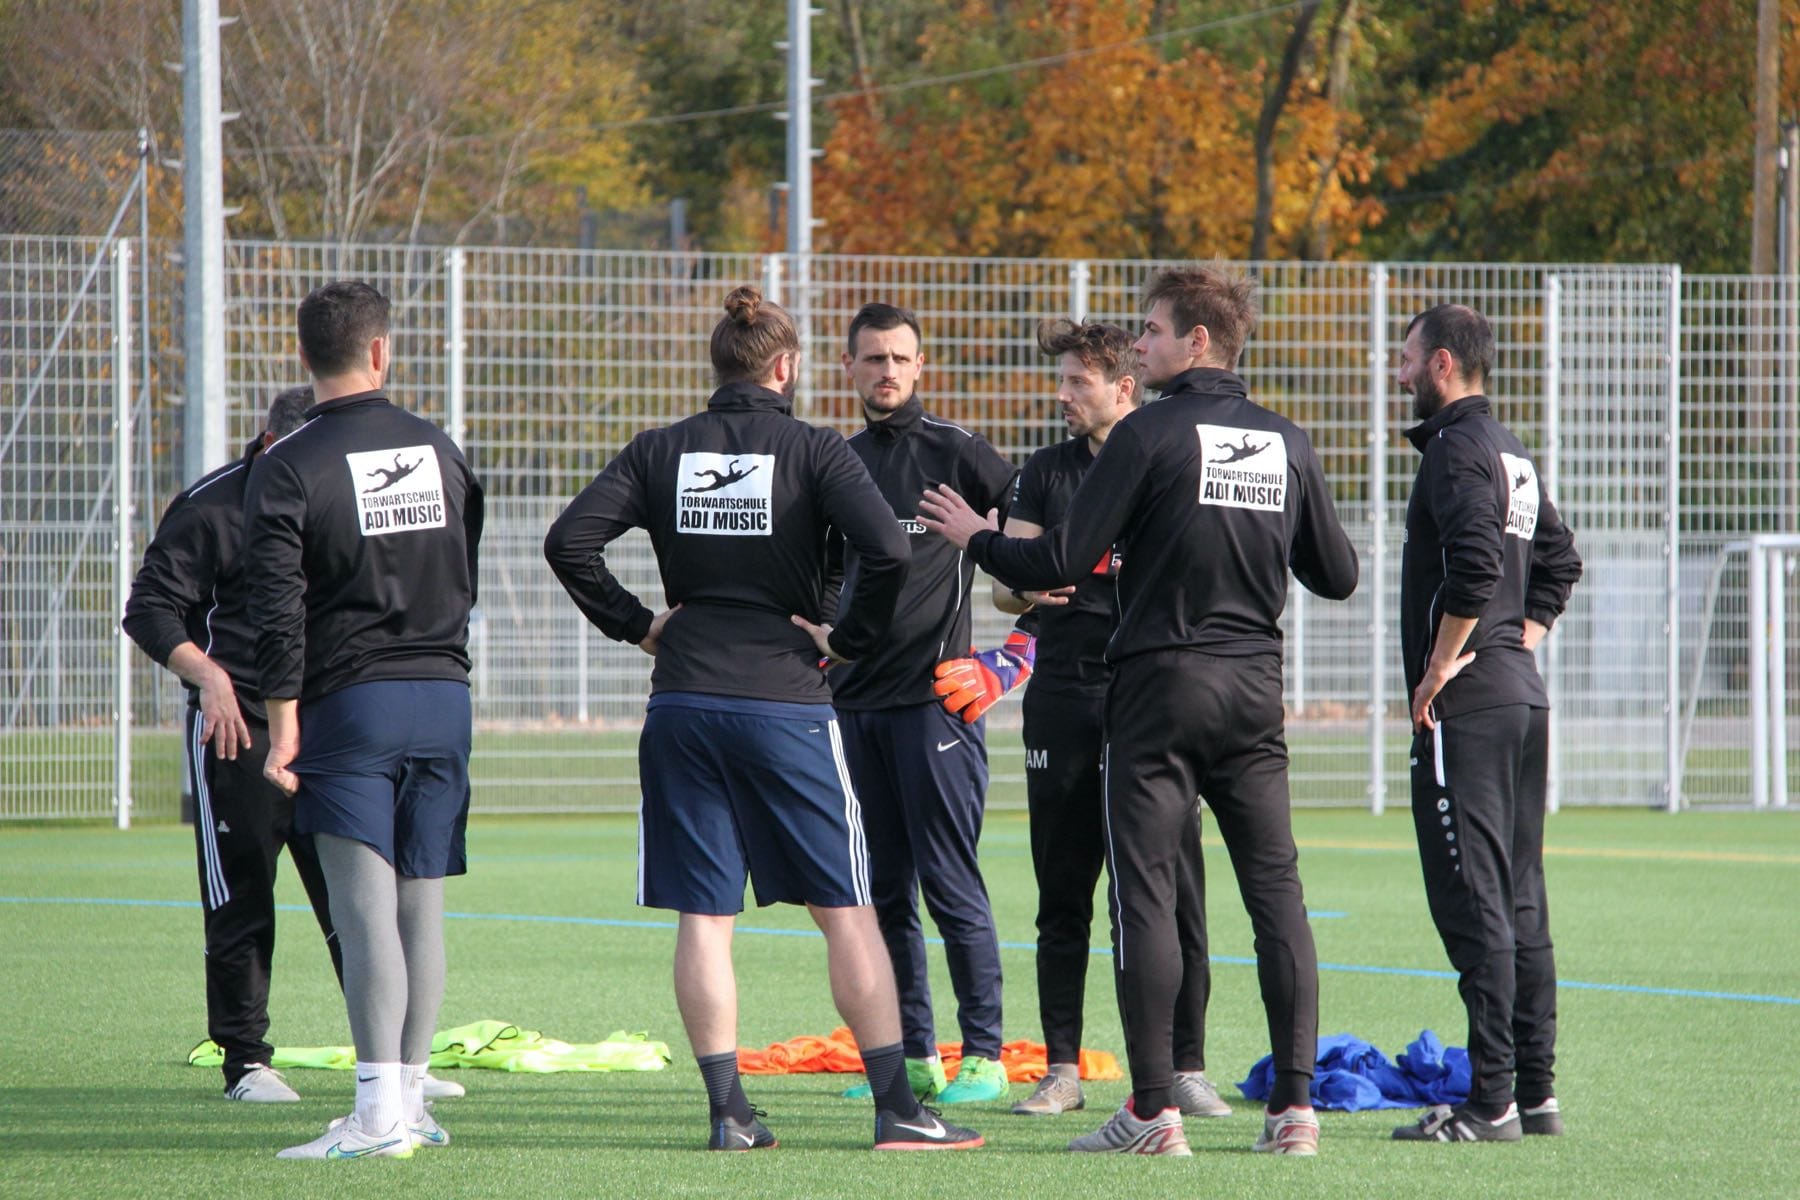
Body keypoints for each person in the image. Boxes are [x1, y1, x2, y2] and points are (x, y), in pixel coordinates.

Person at [919, 265, 1359, 1157]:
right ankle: (1294, 1112)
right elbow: (1338, 574)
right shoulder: (1285, 439)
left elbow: (1061, 561)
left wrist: (979, 539)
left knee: (1145, 896)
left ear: (1197, 341)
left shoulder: (1150, 431)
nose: (1141, 342)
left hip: (1159, 689)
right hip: (1254, 692)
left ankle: (1154, 1112)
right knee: (1277, 896)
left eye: (1152, 330)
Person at [543, 285, 982, 1152]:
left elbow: (568, 542)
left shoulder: (661, 448)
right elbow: (889, 549)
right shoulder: (815, 449)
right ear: (787, 367)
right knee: (846, 908)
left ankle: (730, 1116)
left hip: (682, 702)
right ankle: (898, 1111)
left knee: (705, 918)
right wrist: (847, 639)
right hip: (785, 703)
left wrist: (639, 625)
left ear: (721, 367)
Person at [938, 319, 1229, 1122]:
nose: (1062, 394)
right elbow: (1007, 586)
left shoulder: (1166, 459)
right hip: (1064, 696)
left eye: (1078, 382)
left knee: (1175, 892)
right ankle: (1061, 1070)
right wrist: (1028, 587)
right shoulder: (1044, 472)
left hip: (1154, 697)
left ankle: (1186, 1068)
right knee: (1063, 892)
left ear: (1124, 388)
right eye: (1061, 379)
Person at [242, 281, 484, 1161]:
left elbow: (276, 608)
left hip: (352, 703)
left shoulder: (288, 464)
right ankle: (409, 1105)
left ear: (306, 356)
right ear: (380, 351)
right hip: (444, 697)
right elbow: (463, 564)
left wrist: (283, 722)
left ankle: (378, 1119)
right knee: (422, 907)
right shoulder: (439, 447)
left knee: (364, 909)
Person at [1390, 304, 1582, 1144]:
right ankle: (1536, 1097)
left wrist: (1442, 665)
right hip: (1521, 699)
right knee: (1520, 898)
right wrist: (1516, 640)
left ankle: (1491, 1102)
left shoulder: (1454, 449)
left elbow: (1474, 564)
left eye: (1405, 359)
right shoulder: (1510, 450)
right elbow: (1560, 558)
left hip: (1469, 707)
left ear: (1441, 364)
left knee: (1476, 901)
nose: (1397, 373)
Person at [122, 388, 343, 1105]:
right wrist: (209, 676)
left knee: (360, 894)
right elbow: (148, 608)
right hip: (238, 727)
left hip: (330, 726)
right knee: (242, 891)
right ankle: (246, 1062)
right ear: (270, 443)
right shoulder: (212, 506)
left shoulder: (339, 495)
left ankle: (393, 1062)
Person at [827, 302, 1020, 1106]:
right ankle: (913, 1056)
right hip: (852, 708)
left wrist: (1013, 658)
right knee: (882, 894)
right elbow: (820, 576)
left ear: (920, 365)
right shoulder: (835, 461)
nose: (888, 372)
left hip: (936, 706)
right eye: (873, 358)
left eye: (900, 358)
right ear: (849, 366)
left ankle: (984, 1056)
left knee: (950, 883)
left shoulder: (958, 452)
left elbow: (1051, 546)